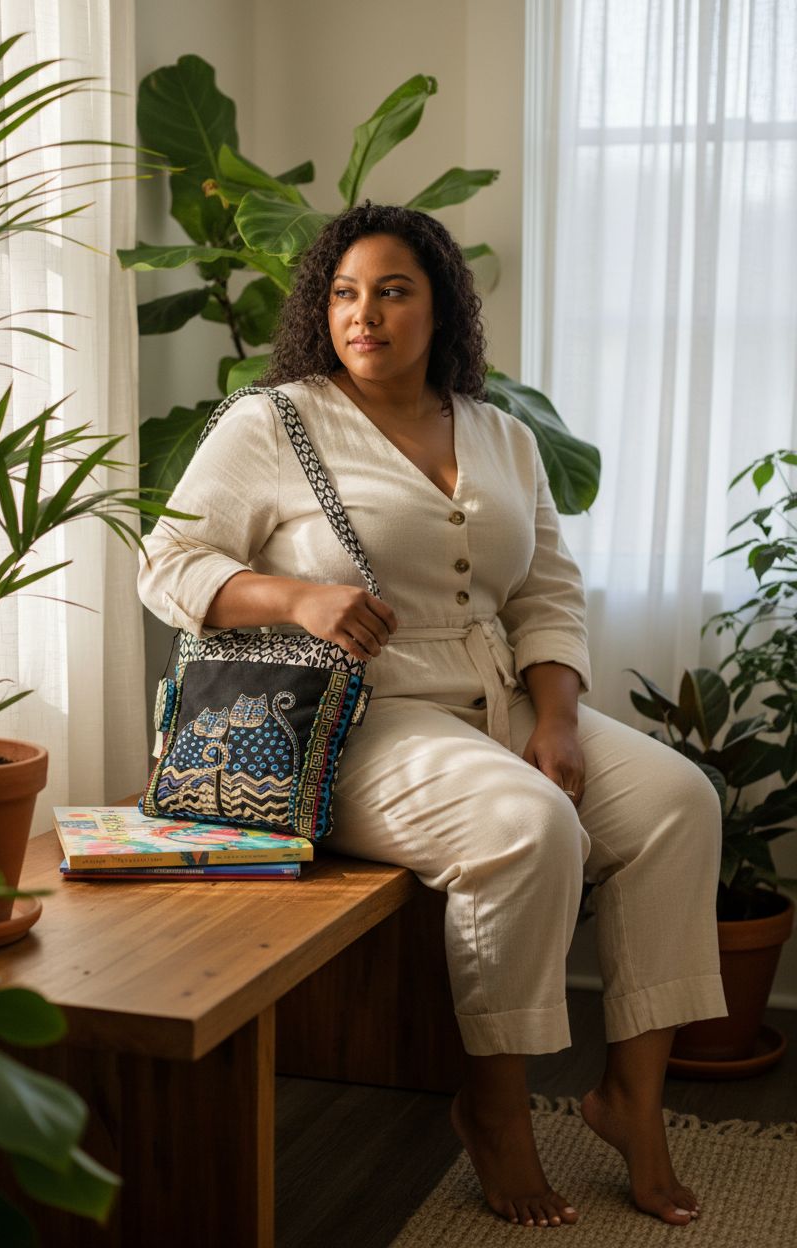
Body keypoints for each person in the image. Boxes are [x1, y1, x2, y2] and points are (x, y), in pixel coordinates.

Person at [137, 201, 728, 1230]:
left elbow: (545, 593)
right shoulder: (271, 421)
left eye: (393, 291)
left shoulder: (500, 433)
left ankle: (628, 1102)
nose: (364, 314)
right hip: (359, 719)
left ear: (440, 306)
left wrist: (553, 720)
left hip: (503, 697)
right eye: (344, 293)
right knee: (527, 827)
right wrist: (298, 599)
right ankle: (494, 1110)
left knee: (680, 801)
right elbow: (168, 564)